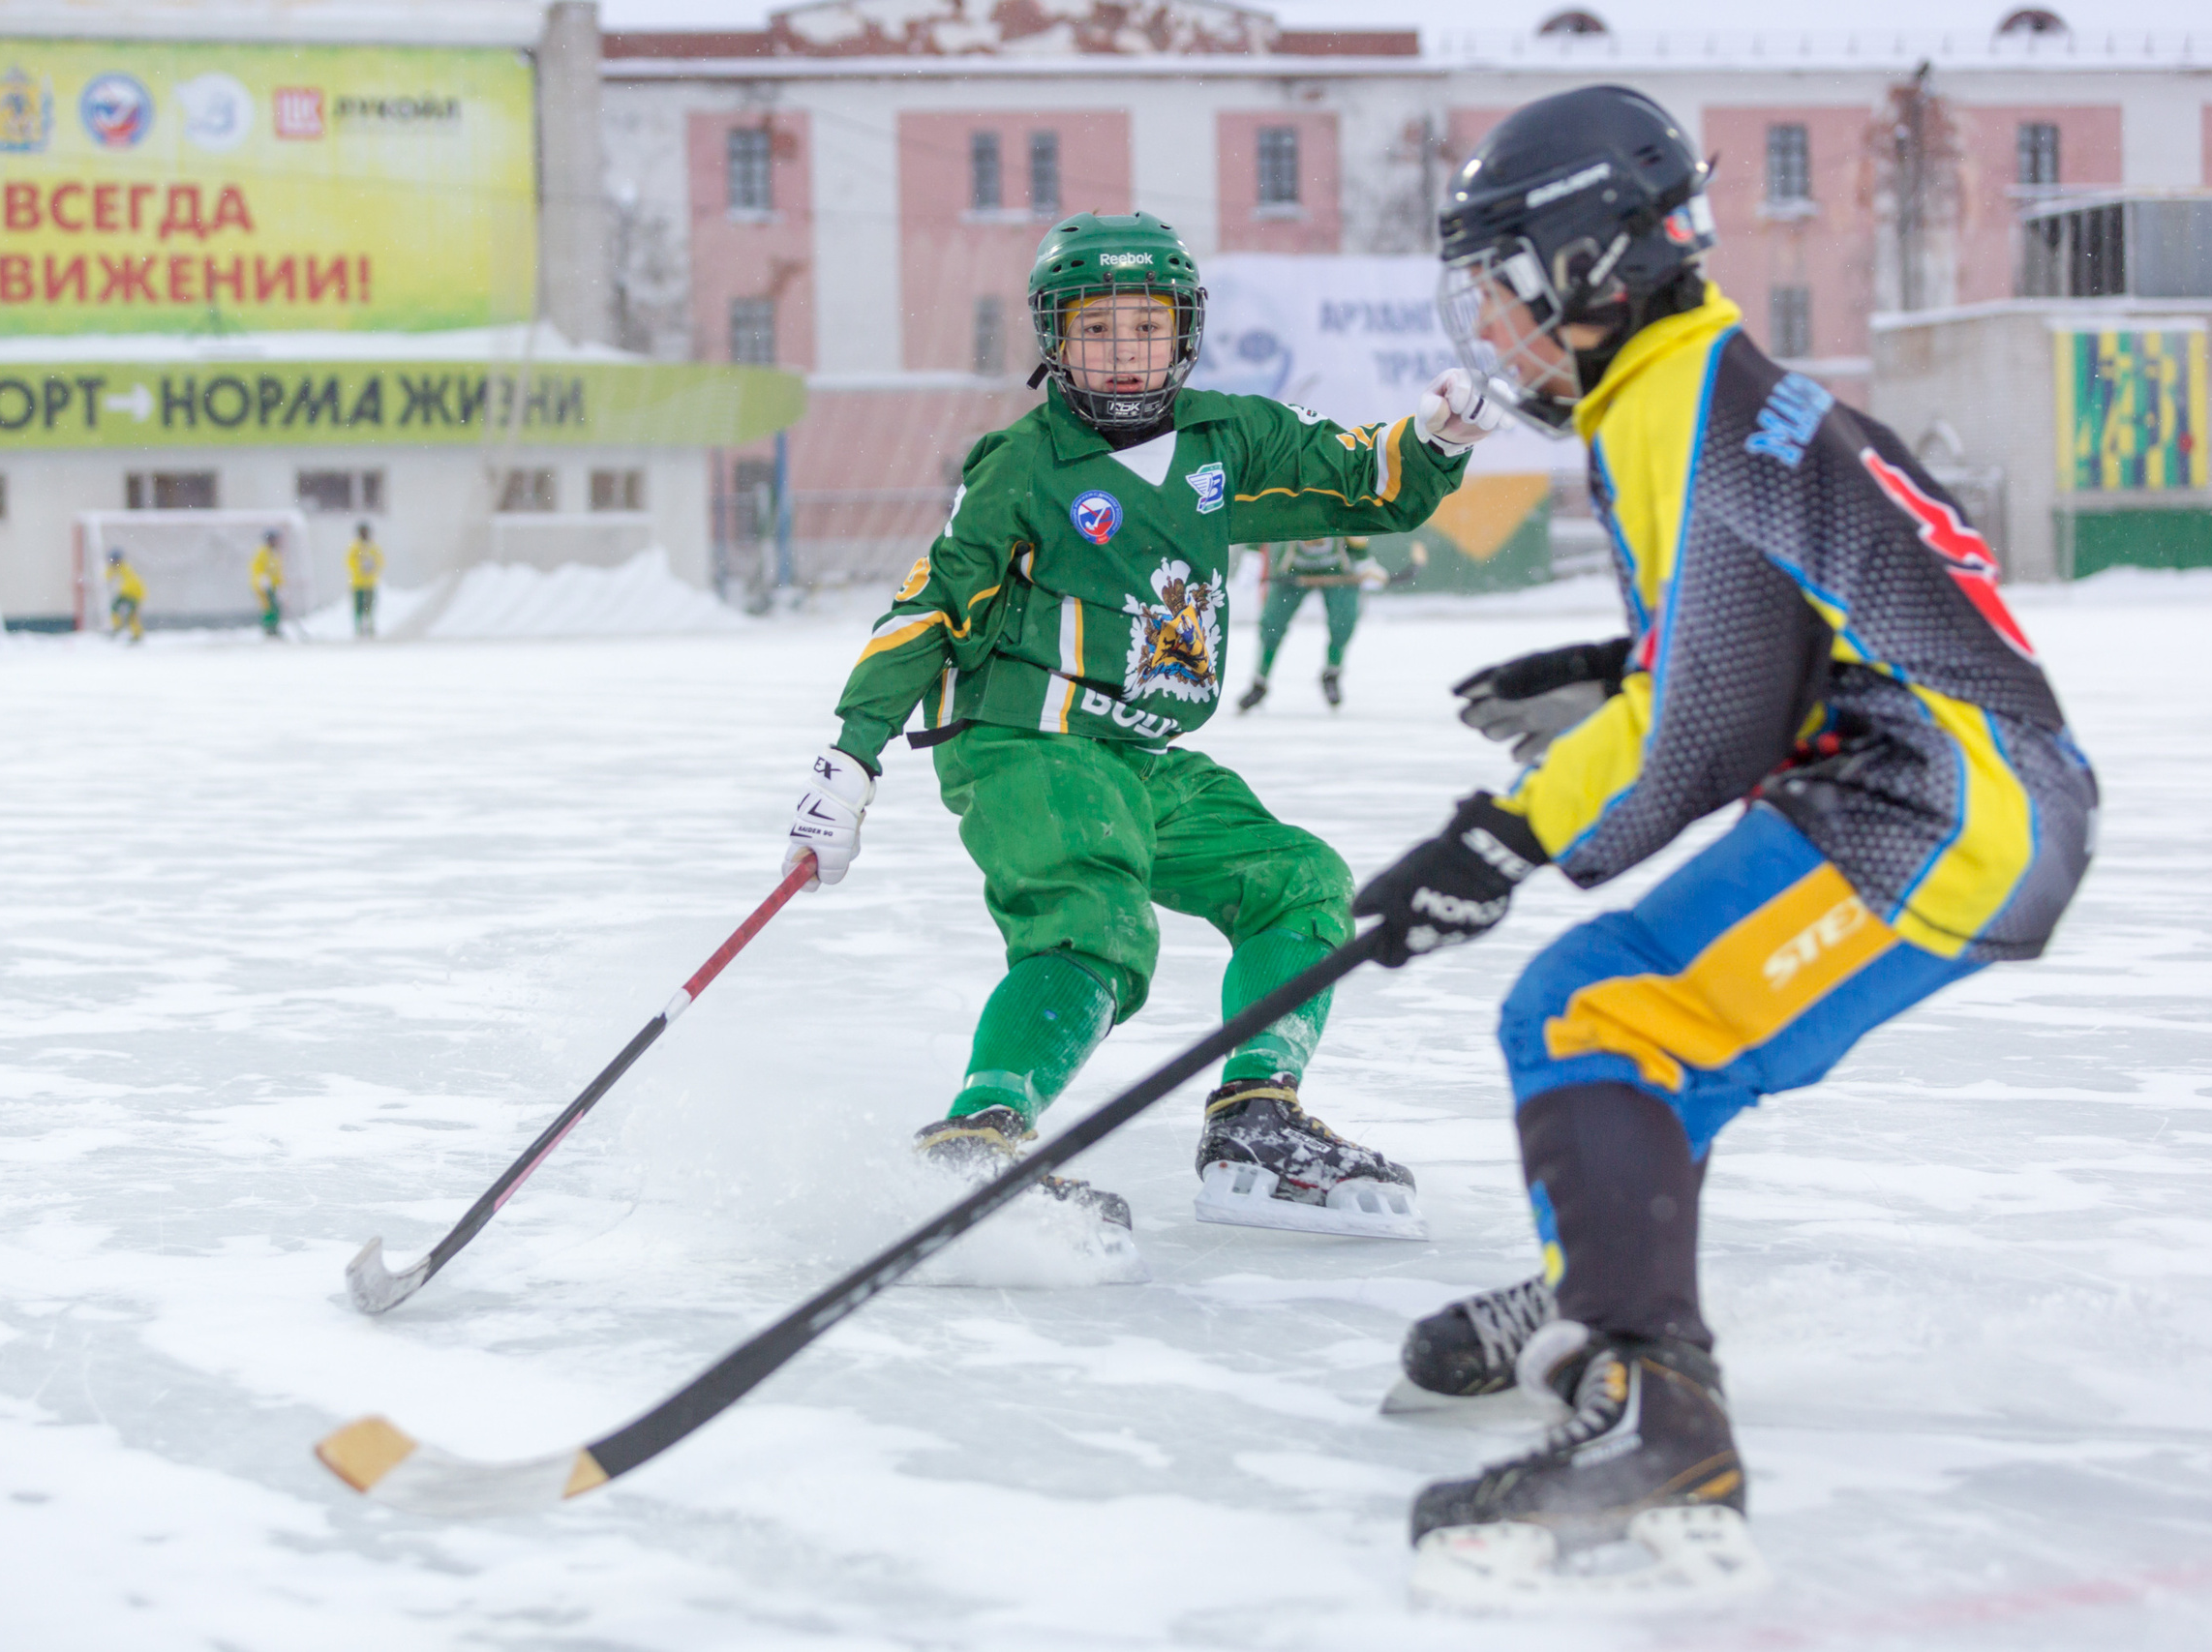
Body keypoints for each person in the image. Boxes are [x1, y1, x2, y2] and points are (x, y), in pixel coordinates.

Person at [1352, 86, 2098, 1583]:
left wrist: (1493, 840)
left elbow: (1708, 726)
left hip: (1942, 801)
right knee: (1638, 1028)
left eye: (1502, 292)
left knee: (1591, 1009)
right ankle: (1606, 1294)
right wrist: (1610, 682)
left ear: (1583, 263)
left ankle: (1657, 1412)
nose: (1491, 333)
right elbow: (1753, 633)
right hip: (1943, 781)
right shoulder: (1701, 381)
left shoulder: (1675, 403)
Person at [783, 210, 1508, 1246]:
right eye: (1095, 330)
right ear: (1054, 340)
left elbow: (1362, 478)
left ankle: (1256, 1119)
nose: (1122, 353)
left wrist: (1435, 436)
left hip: (1135, 752)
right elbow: (930, 606)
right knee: (1096, 922)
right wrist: (850, 755)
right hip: (1024, 738)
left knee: (1297, 880)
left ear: (1183, 334)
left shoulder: (1227, 438)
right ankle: (982, 1137)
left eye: (1144, 327)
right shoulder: (1020, 465)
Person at [1235, 535, 1377, 713]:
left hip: (1338, 571)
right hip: (1292, 571)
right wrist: (1252, 554)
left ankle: (1332, 672)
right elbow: (1262, 517)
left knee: (1343, 621)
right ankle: (1259, 682)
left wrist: (1364, 559)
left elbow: (1355, 527)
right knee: (1271, 624)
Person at [346, 522, 383, 638]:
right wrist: (360, 567)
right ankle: (359, 627)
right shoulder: (355, 547)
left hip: (370, 583)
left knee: (370, 606)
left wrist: (372, 567)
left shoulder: (373, 547)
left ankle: (370, 626)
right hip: (358, 583)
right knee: (359, 607)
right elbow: (349, 562)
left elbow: (380, 561)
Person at [104, 547, 144, 644]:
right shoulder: (120, 567)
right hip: (128, 593)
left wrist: (123, 592)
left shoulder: (124, 567)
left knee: (131, 615)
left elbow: (130, 582)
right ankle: (118, 626)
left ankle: (135, 633)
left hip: (134, 594)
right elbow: (108, 575)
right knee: (116, 609)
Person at [250, 529, 285, 639]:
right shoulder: (262, 552)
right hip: (263, 586)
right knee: (267, 607)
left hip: (273, 586)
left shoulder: (275, 553)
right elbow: (256, 567)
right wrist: (261, 578)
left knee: (276, 607)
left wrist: (280, 586)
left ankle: (275, 628)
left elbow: (278, 571)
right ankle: (268, 629)